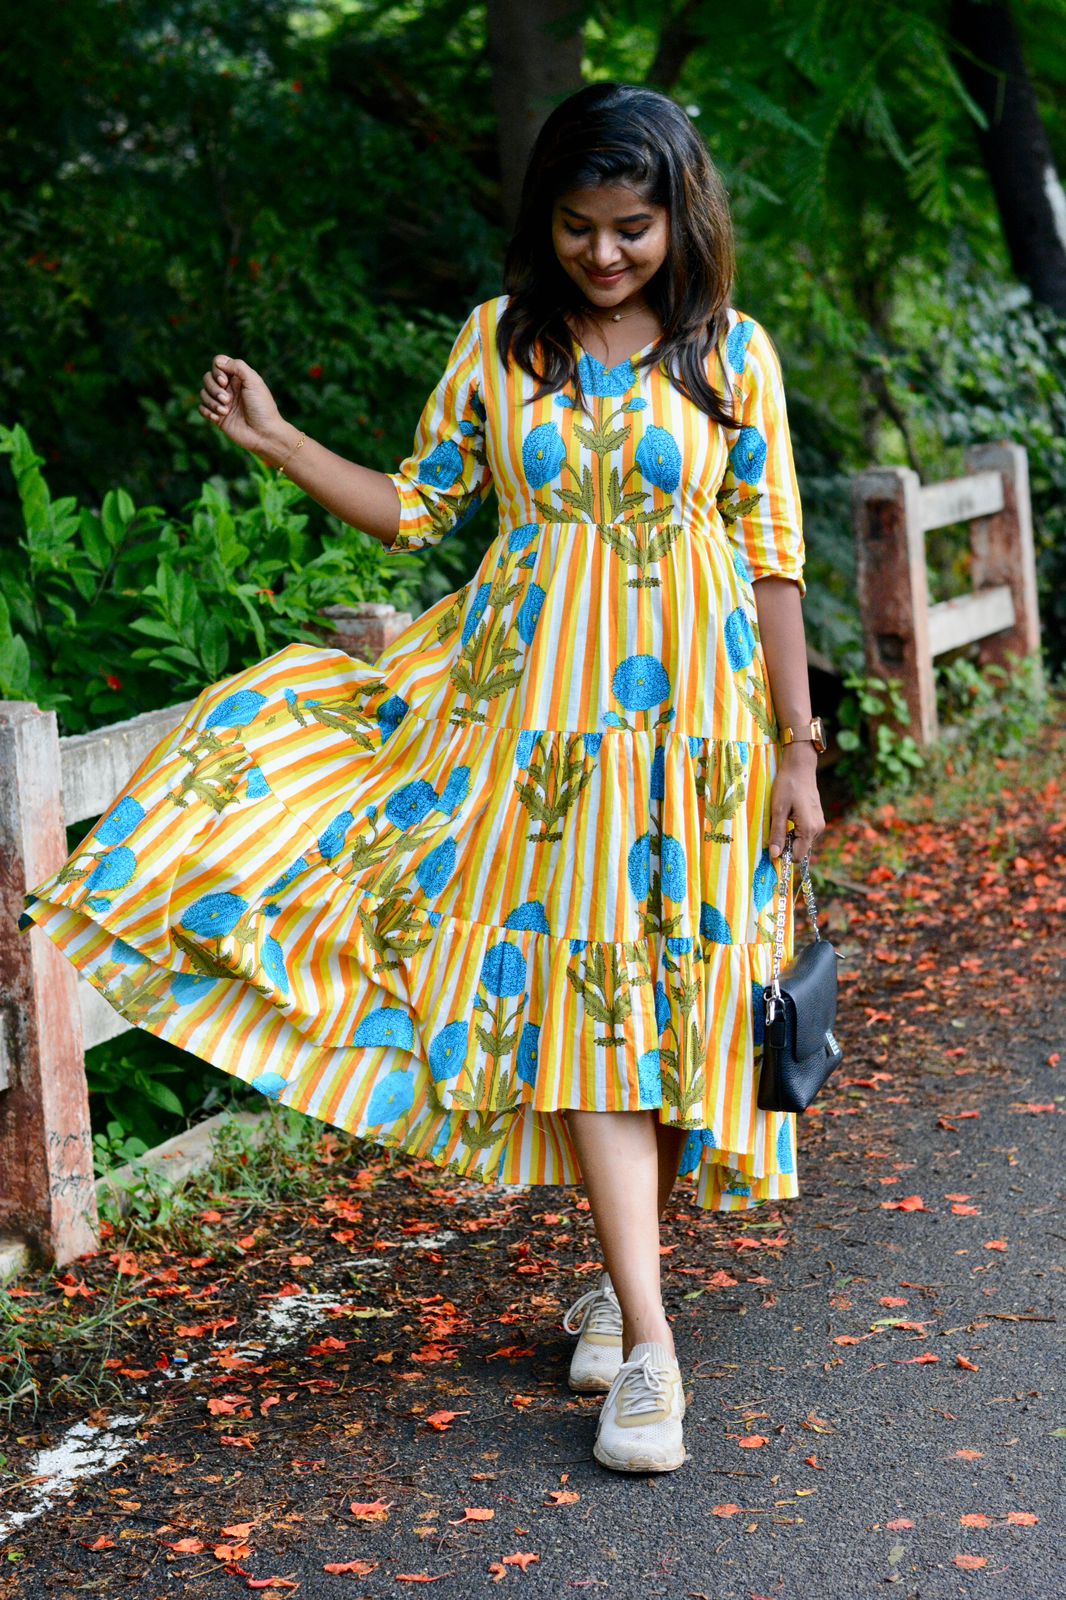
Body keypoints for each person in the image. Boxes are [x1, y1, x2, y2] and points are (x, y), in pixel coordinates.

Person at [18, 81, 824, 1476]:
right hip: (530, 728)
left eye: (631, 228)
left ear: (678, 220)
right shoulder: (499, 344)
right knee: (588, 1004)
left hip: (699, 734)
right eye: (576, 226)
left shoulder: (730, 355)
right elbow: (416, 508)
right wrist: (280, 442)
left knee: (671, 1005)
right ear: (544, 220)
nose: (603, 253)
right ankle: (650, 1350)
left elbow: (772, 560)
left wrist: (798, 746)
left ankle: (613, 1283)